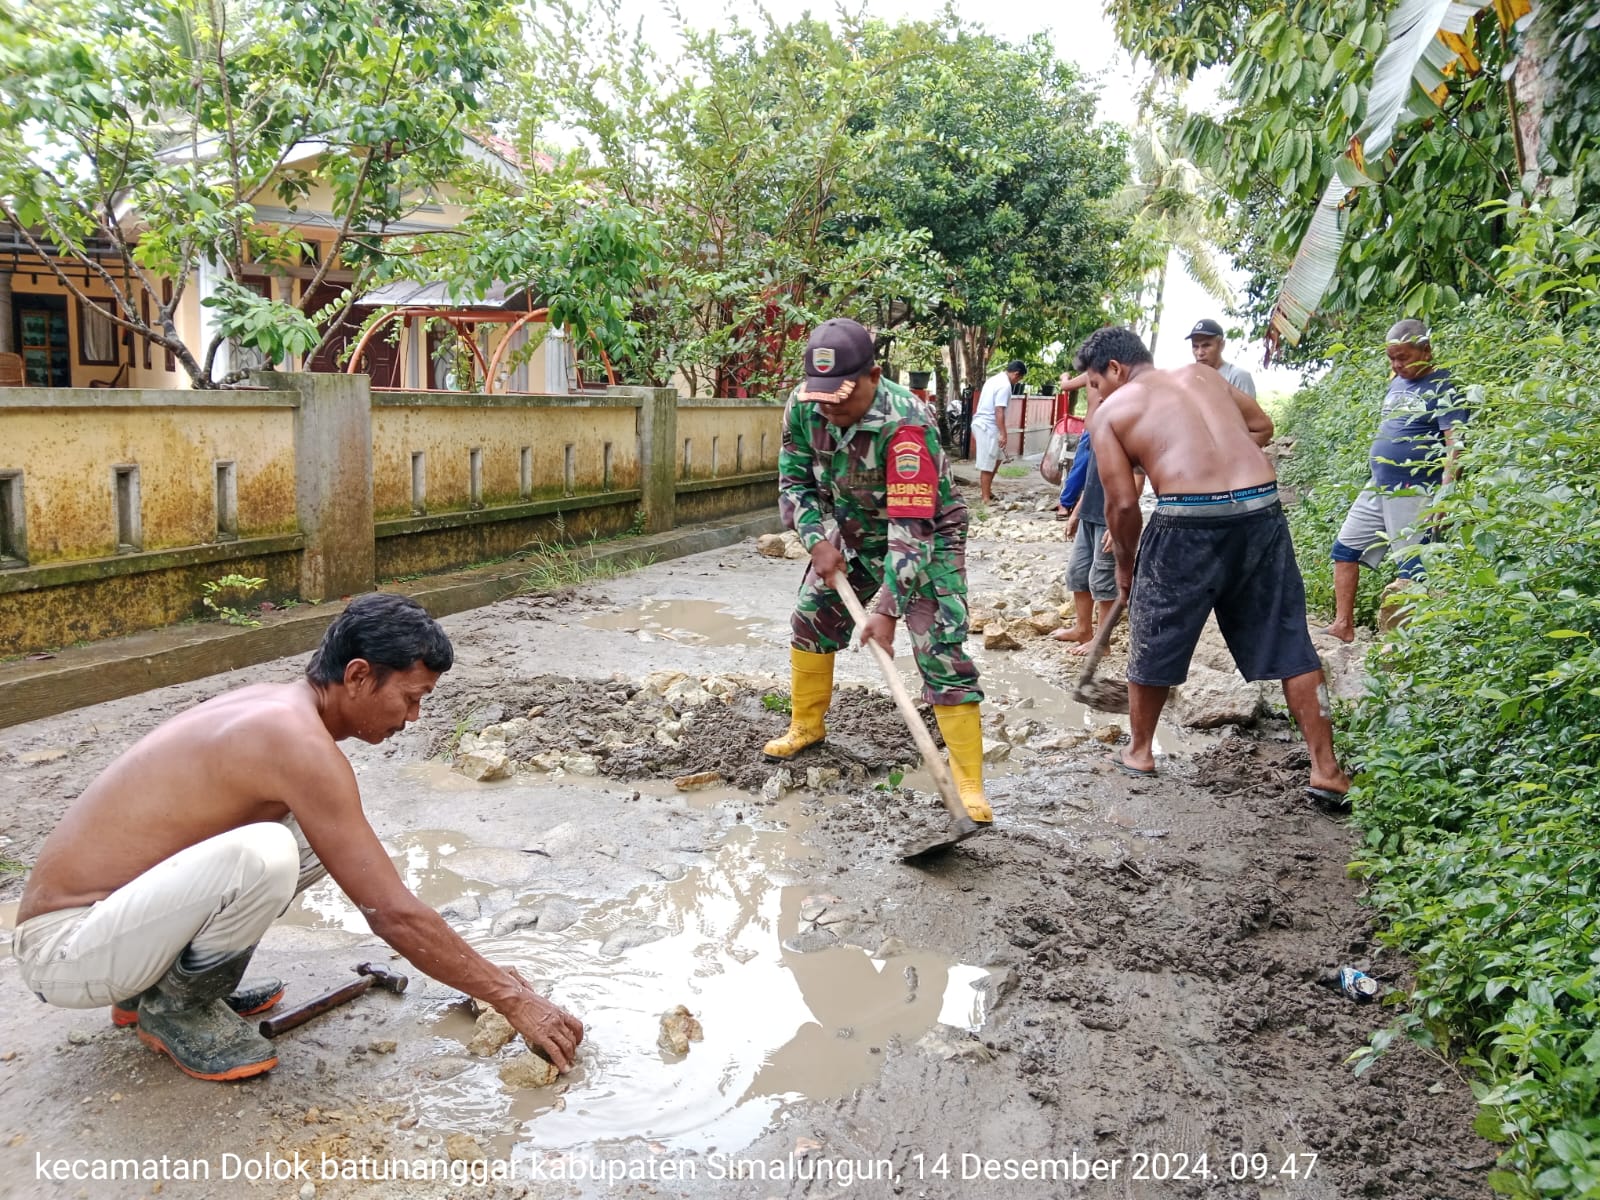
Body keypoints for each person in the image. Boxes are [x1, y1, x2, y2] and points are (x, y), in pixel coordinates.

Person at [11, 593, 584, 1081]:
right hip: (64, 949)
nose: (412, 717)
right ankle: (178, 1011)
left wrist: (484, 975)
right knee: (268, 852)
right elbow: (390, 911)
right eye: (411, 697)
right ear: (358, 675)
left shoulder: (282, 710)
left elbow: (368, 877)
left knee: (307, 841)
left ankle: (162, 988)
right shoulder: (298, 744)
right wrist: (510, 997)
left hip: (108, 926)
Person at [1082, 326, 1349, 805]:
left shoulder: (1112, 413)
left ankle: (1140, 751)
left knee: (1154, 631)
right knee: (1290, 637)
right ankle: (1326, 770)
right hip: (1261, 510)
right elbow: (1263, 427)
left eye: (1095, 386)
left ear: (1115, 370)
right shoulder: (1203, 376)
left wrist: (1127, 568)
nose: (1095, 398)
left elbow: (1122, 507)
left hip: (1187, 521)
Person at [766, 317, 992, 827]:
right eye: (822, 396)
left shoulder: (906, 422)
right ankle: (806, 725)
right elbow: (793, 481)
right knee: (811, 620)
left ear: (874, 375)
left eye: (842, 396)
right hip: (849, 527)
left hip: (925, 535)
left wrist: (886, 610)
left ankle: (967, 781)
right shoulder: (807, 405)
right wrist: (816, 539)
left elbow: (911, 529)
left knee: (940, 649)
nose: (831, 407)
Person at [1324, 319, 1467, 643]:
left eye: (1402, 357)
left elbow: (1455, 443)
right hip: (1377, 485)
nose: (1396, 365)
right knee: (1344, 549)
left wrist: (1446, 494)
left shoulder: (1445, 387)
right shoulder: (1397, 383)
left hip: (1414, 489)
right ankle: (1343, 625)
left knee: (1413, 568)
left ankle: (1407, 648)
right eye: (1391, 358)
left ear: (1426, 350)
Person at [1051, 376, 1118, 651]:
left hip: (1108, 517)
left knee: (1102, 579)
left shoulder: (1122, 435)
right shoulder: (1095, 436)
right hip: (1089, 512)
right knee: (1078, 573)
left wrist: (1118, 524)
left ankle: (1101, 641)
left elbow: (1135, 486)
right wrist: (1076, 512)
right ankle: (1083, 628)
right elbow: (1090, 480)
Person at [972, 359, 1025, 504]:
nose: (1017, 382)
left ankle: (987, 491)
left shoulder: (994, 379)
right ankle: (985, 497)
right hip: (987, 425)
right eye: (1019, 379)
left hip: (985, 423)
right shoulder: (1005, 386)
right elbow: (999, 410)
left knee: (998, 458)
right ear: (1016, 374)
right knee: (988, 462)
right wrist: (1003, 433)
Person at [1186, 318, 1256, 399]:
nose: (1200, 353)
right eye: (1195, 346)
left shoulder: (1237, 377)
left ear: (1221, 345)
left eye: (1206, 345)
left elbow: (1249, 411)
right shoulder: (1190, 379)